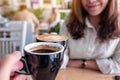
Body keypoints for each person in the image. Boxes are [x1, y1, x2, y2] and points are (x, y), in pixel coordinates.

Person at [60, 0, 120, 74]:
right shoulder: (68, 23)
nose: (91, 1)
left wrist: (82, 63)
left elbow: (118, 65)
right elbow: (61, 59)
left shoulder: (118, 25)